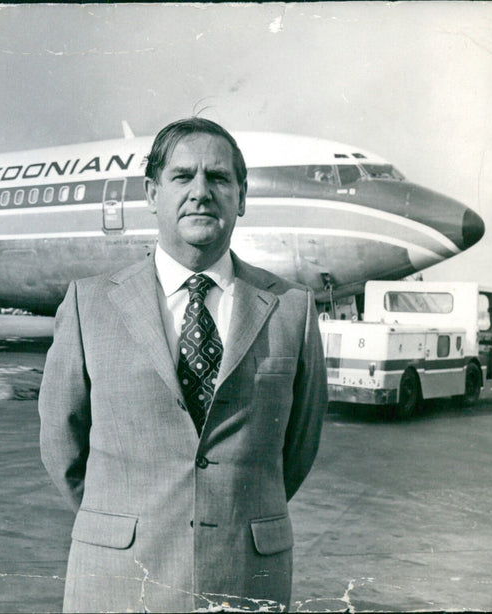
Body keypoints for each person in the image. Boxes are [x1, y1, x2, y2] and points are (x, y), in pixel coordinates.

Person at [38, 117, 327, 612]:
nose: (201, 192)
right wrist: (124, 518)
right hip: (120, 579)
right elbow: (62, 445)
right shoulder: (90, 305)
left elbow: (297, 447)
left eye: (218, 178)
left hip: (243, 577)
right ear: (152, 193)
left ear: (241, 196)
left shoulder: (291, 310)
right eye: (182, 177)